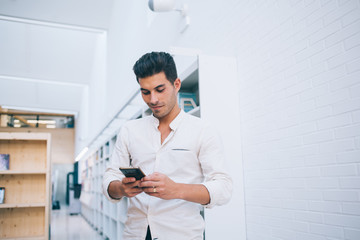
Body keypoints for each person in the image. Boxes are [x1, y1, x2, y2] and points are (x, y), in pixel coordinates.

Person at [102, 52, 232, 240]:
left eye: (160, 89)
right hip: (135, 233)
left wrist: (177, 189)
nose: (152, 100)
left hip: (182, 234)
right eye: (145, 92)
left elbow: (224, 187)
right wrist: (121, 188)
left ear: (176, 84)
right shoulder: (129, 130)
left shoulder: (203, 130)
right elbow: (110, 177)